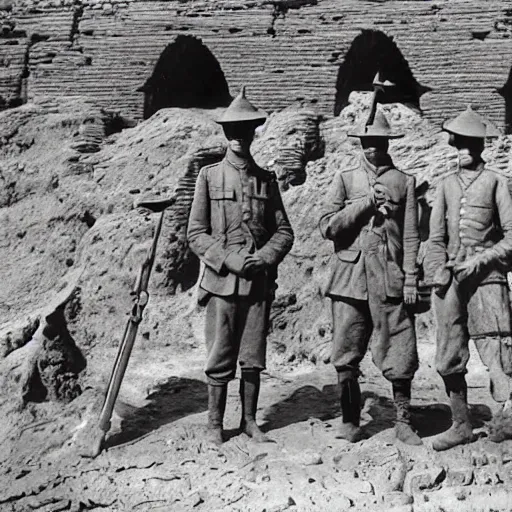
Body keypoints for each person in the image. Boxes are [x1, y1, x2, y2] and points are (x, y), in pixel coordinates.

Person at [187, 87, 294, 445]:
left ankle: (249, 420)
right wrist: (231, 261)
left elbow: (284, 231)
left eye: (244, 130)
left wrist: (264, 258)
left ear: (253, 133)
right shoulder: (209, 176)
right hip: (221, 282)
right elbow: (196, 234)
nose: (238, 137)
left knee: (253, 356)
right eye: (231, 130)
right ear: (224, 134)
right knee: (220, 354)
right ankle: (215, 424)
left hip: (258, 283)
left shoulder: (266, 180)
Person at [319, 108, 422, 445]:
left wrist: (410, 278)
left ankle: (403, 421)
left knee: (399, 348)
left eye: (378, 141)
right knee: (345, 352)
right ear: (359, 144)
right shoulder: (345, 179)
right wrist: (364, 203)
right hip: (349, 278)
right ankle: (350, 419)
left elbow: (410, 236)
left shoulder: (404, 181)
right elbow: (328, 227)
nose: (372, 148)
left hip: (388, 276)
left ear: (387, 142)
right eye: (366, 142)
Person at [426, 105, 512, 451]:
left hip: (487, 277)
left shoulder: (496, 182)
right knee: (449, 352)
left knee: (498, 348)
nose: (463, 149)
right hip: (451, 280)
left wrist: (481, 260)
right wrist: (437, 271)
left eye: (470, 144)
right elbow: (435, 239)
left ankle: (506, 419)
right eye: (458, 143)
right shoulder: (446, 185)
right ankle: (460, 423)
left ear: (480, 148)